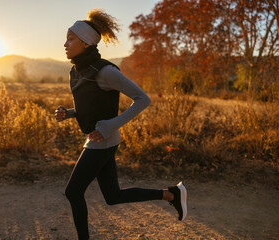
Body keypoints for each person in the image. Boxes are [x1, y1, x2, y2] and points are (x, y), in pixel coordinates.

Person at [55, 9, 187, 240]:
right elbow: (93, 106)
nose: (65, 43)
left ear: (86, 43)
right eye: (67, 38)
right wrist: (70, 113)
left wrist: (110, 126)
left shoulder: (105, 71)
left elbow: (142, 99)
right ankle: (171, 195)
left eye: (71, 38)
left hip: (102, 141)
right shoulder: (78, 70)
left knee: (73, 192)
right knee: (113, 196)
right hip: (101, 139)